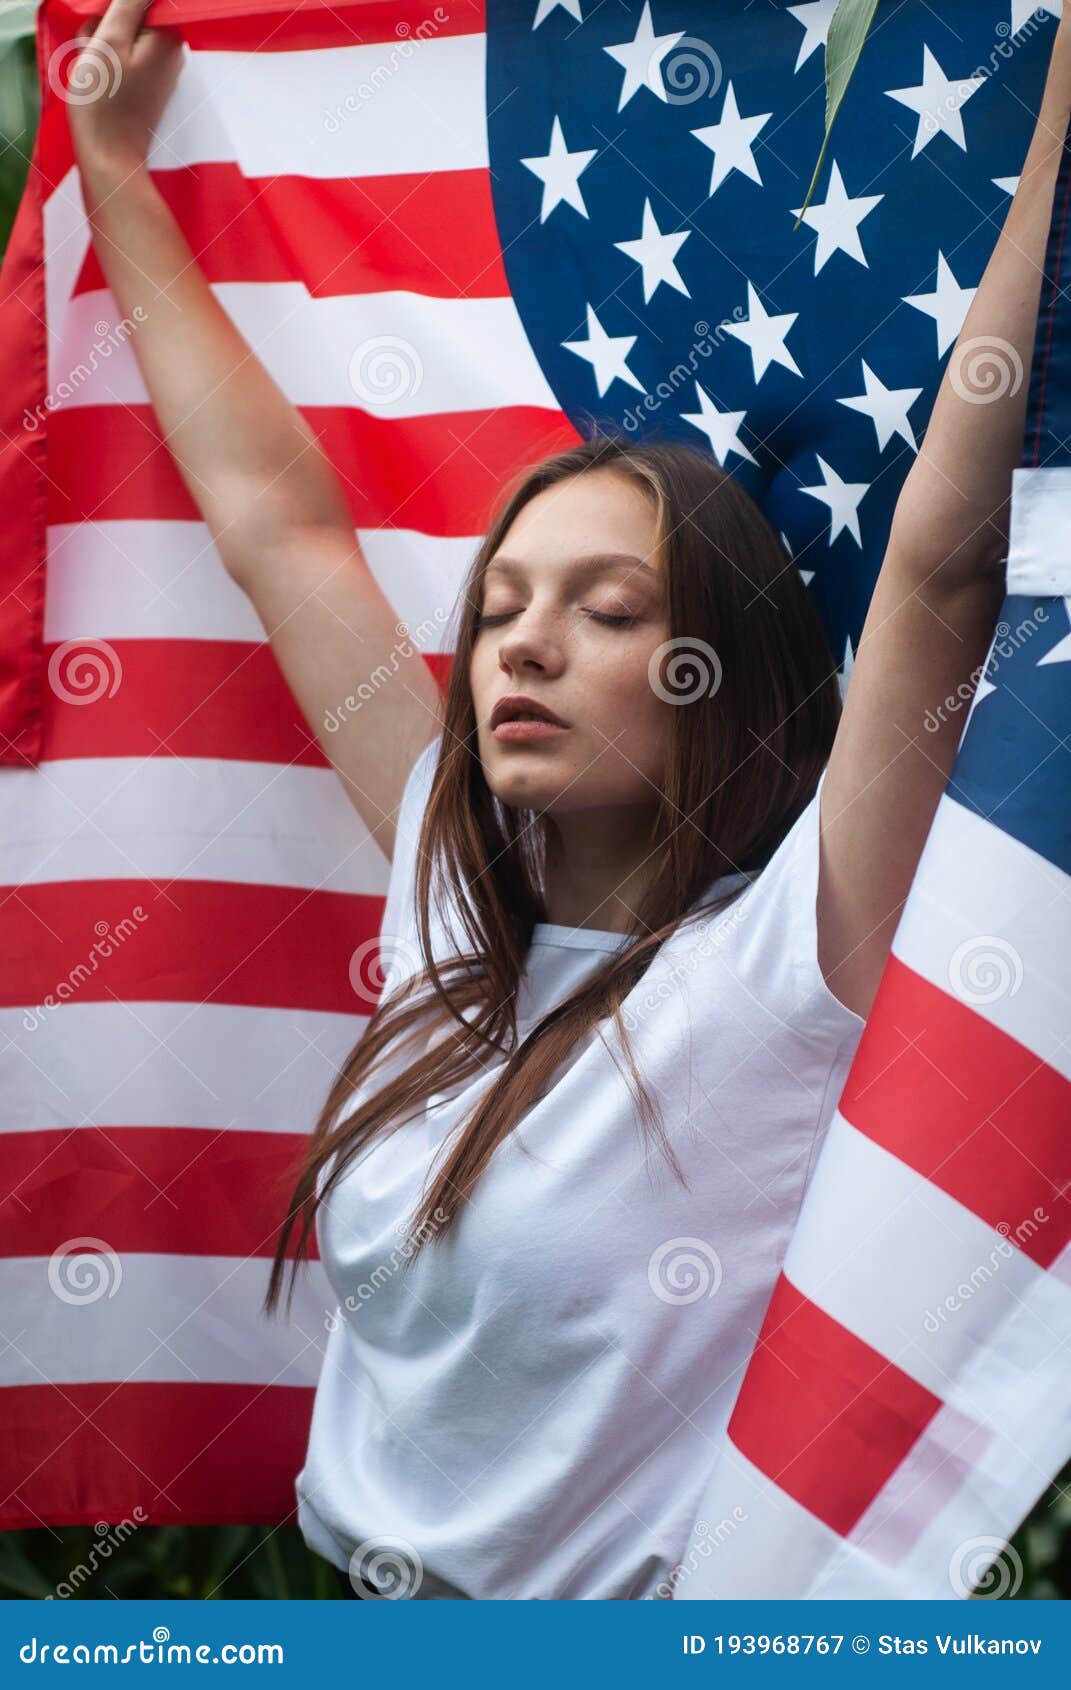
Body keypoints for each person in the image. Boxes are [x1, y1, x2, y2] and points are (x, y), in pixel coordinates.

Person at [68, 0, 1071, 1601]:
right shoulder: (447, 892)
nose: (524, 642)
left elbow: (943, 566)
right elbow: (281, 528)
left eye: (607, 613)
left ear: (717, 683)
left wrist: (1062, 124)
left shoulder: (792, 965)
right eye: (505, 603)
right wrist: (115, 164)